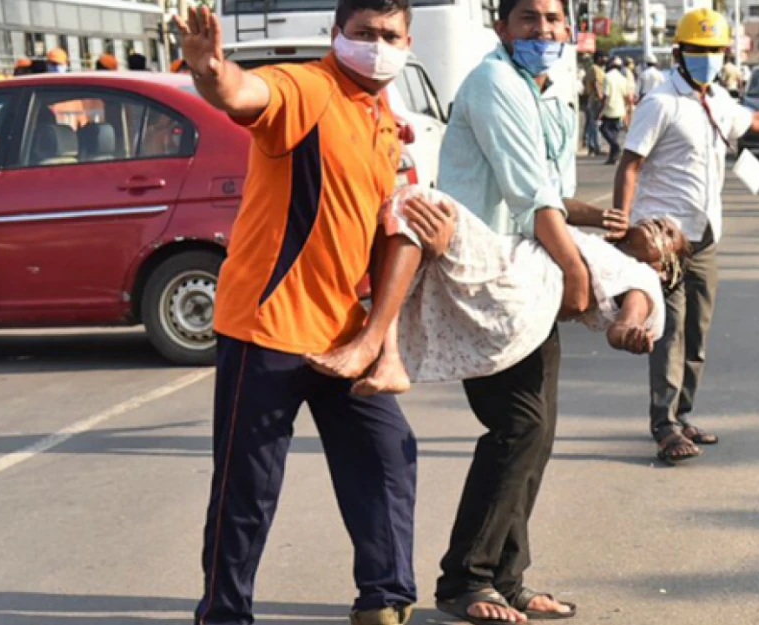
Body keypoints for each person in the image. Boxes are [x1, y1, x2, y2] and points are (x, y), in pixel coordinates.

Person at [173, 1, 434, 623]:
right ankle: (224, 613)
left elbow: (393, 232)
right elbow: (244, 93)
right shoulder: (309, 89)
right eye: (364, 33)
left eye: (389, 35)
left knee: (387, 452)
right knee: (247, 489)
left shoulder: (384, 122)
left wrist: (380, 338)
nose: (377, 45)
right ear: (335, 34)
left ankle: (384, 599)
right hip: (267, 329)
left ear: (407, 40)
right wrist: (211, 70)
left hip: (344, 335)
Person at [422, 0, 631, 620]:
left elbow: (551, 196)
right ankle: (465, 579)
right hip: (484, 275)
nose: (543, 31)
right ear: (501, 29)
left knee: (535, 434)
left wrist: (595, 218)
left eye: (553, 20)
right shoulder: (493, 82)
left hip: (526, 271)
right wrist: (576, 272)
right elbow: (529, 194)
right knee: (517, 426)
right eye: (528, 20)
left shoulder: (546, 92)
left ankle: (507, 579)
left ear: (569, 29)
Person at [614, 8, 759, 465]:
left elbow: (755, 120)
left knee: (697, 331)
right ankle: (664, 424)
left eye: (715, 51)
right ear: (679, 52)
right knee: (670, 331)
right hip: (665, 241)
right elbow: (630, 164)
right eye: (699, 51)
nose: (708, 59)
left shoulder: (715, 99)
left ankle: (684, 412)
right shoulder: (661, 103)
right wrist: (623, 222)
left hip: (705, 237)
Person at [309, 184, 675, 396]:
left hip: (519, 286)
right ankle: (384, 355)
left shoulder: (642, 279)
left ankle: (378, 347)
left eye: (670, 235)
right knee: (401, 238)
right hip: (513, 296)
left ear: (666, 269)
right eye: (659, 219)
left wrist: (629, 333)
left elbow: (625, 322)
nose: (658, 224)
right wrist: (598, 216)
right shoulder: (604, 251)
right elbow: (548, 206)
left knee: (417, 202)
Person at [601, 56, 628, 164]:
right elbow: (626, 95)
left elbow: (606, 96)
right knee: (614, 133)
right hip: (620, 109)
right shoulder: (623, 78)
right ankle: (612, 158)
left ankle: (615, 146)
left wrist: (600, 111)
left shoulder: (607, 77)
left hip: (609, 109)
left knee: (604, 129)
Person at [582, 53, 606, 156]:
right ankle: (596, 147)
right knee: (596, 124)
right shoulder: (595, 69)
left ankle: (592, 146)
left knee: (593, 124)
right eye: (603, 57)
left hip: (593, 98)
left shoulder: (596, 69)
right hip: (595, 99)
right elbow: (596, 83)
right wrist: (600, 97)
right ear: (599, 58)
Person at [624, 57, 638, 125]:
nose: (633, 65)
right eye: (632, 63)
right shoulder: (626, 71)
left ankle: (629, 124)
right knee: (628, 110)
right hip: (628, 93)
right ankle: (627, 124)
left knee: (630, 110)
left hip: (631, 93)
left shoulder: (629, 71)